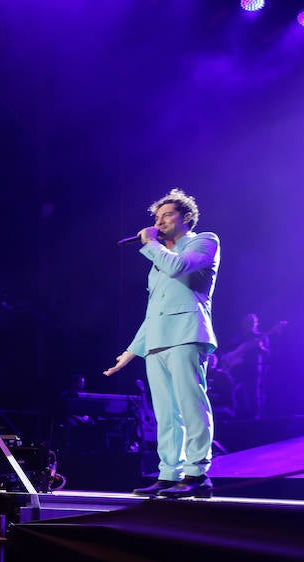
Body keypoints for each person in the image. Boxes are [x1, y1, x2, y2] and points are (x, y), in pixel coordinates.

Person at [105, 188, 220, 499]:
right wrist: (131, 351)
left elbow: (179, 267)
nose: (160, 221)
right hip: (157, 342)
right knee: (165, 413)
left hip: (186, 334)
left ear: (187, 217)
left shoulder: (204, 241)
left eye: (167, 215)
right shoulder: (158, 260)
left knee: (190, 405)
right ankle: (169, 474)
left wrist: (152, 243)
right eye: (157, 218)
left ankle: (197, 473)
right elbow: (154, 311)